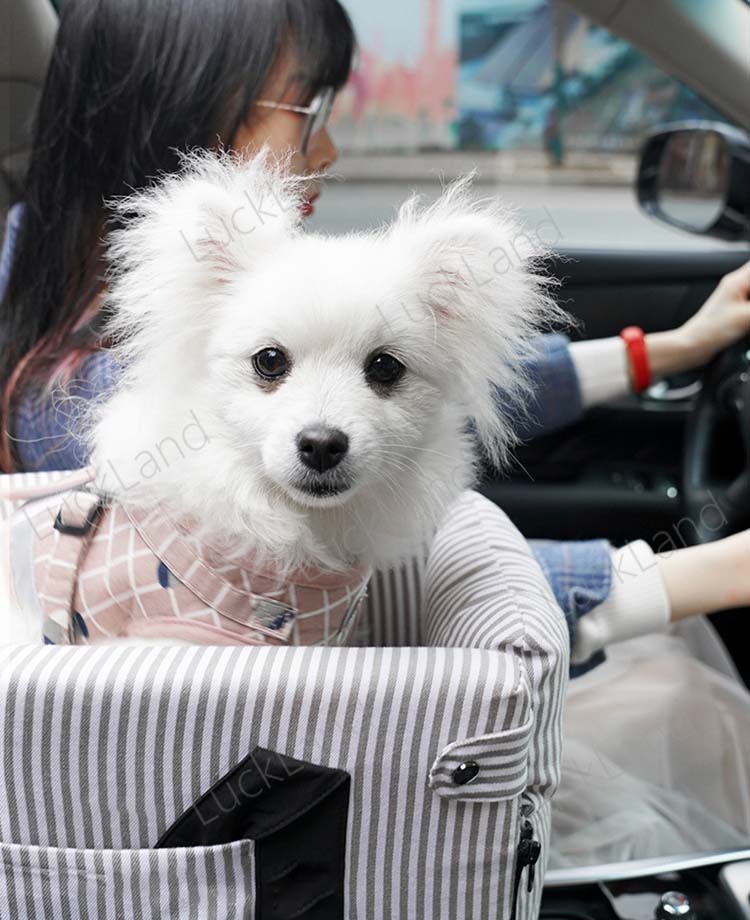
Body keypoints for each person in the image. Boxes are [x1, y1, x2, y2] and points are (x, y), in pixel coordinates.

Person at [0, 0, 749, 863]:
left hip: (278, 738)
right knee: (678, 700)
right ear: (180, 107)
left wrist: (666, 350)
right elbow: (372, 580)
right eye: (307, 109)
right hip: (193, 815)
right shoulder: (92, 397)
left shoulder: (92, 307)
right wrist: (699, 573)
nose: (326, 149)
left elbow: (436, 378)